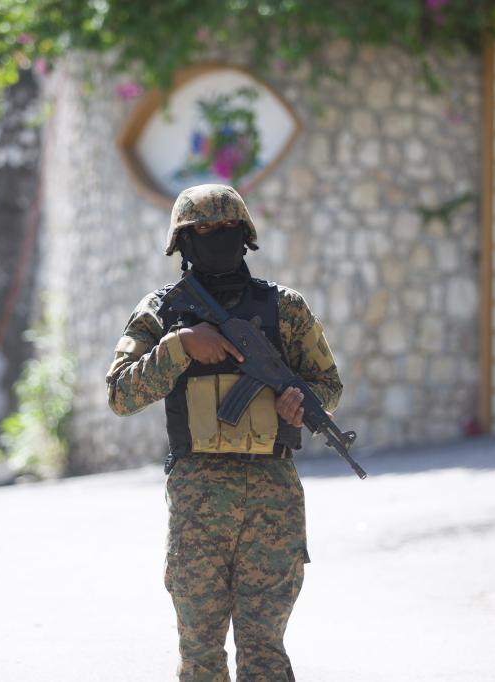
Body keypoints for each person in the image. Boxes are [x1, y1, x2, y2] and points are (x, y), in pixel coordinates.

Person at [105, 184, 342, 680]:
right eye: (204, 230)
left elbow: (328, 385)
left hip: (272, 497)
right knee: (201, 652)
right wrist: (180, 346)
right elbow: (120, 394)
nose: (217, 237)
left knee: (264, 651)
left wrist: (301, 404)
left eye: (227, 227)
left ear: (245, 234)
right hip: (198, 498)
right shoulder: (161, 311)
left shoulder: (285, 308)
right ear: (183, 242)